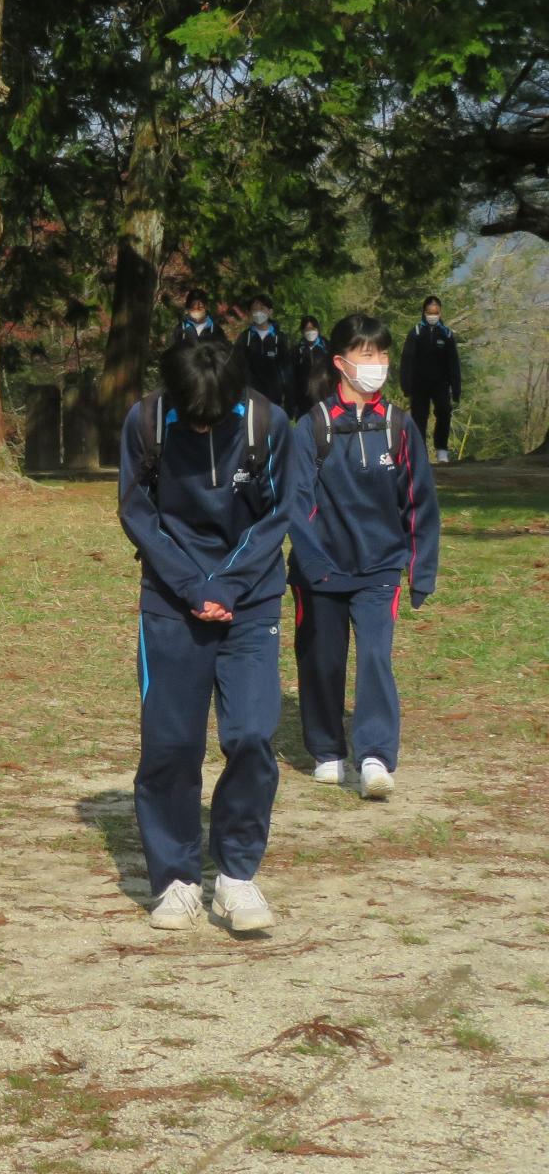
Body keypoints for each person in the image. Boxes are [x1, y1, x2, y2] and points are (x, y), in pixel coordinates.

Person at [118, 339, 293, 935]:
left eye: (211, 418)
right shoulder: (146, 422)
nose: (201, 426)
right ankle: (176, 880)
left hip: (252, 602)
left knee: (251, 734)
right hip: (172, 601)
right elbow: (137, 512)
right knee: (171, 745)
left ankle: (236, 875)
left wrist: (230, 584)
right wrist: (193, 585)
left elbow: (278, 515)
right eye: (192, 416)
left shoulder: (268, 424)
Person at [288, 315, 440, 800]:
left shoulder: (399, 426)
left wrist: (420, 570)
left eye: (383, 354)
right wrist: (314, 566)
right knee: (321, 660)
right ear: (341, 362)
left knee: (375, 657)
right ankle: (327, 749)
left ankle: (375, 756)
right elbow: (295, 504)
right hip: (321, 572)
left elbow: (418, 502)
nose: (378, 364)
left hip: (379, 568)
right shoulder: (312, 427)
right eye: (367, 354)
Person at [399, 295, 463, 462]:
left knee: (444, 412)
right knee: (419, 417)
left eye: (435, 312)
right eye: (430, 312)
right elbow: (406, 360)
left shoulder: (446, 334)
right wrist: (406, 384)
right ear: (424, 312)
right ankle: (420, 453)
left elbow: (453, 363)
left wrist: (456, 388)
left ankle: (442, 450)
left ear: (440, 312)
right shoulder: (416, 333)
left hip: (441, 384)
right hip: (419, 384)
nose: (432, 315)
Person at [235, 294, 297, 414]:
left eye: (262, 309)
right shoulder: (245, 338)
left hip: (274, 399)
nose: (258, 312)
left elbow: (287, 373)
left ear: (270, 312)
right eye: (254, 309)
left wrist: (289, 403)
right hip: (250, 399)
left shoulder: (279, 338)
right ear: (249, 313)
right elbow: (236, 367)